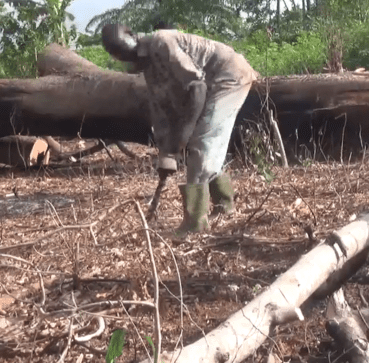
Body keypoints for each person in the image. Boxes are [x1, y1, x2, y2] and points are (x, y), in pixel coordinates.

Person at [102, 23, 258, 235]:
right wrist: (166, 150)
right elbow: (163, 110)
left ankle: (195, 223)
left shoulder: (162, 42)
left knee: (203, 143)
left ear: (133, 35)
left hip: (229, 76)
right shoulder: (149, 67)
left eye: (123, 50)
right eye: (117, 54)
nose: (123, 57)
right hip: (209, 82)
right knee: (203, 144)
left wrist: (182, 138)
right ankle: (224, 204)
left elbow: (197, 88)